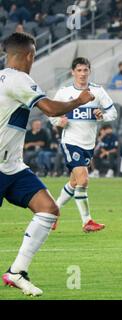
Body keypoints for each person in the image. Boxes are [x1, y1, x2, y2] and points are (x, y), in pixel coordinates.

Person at [0, 32, 94, 296]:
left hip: (13, 166)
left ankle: (16, 272)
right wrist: (79, 100)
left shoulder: (4, 78)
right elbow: (50, 109)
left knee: (48, 209)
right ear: (29, 55)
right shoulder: (19, 79)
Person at [50, 57, 117, 232]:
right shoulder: (64, 92)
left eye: (85, 70)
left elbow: (113, 113)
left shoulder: (98, 91)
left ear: (89, 71)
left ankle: (52, 213)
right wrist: (58, 121)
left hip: (88, 144)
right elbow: (51, 113)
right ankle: (87, 221)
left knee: (74, 182)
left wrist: (102, 115)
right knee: (83, 179)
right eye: (79, 70)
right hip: (70, 142)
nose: (82, 74)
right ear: (72, 72)